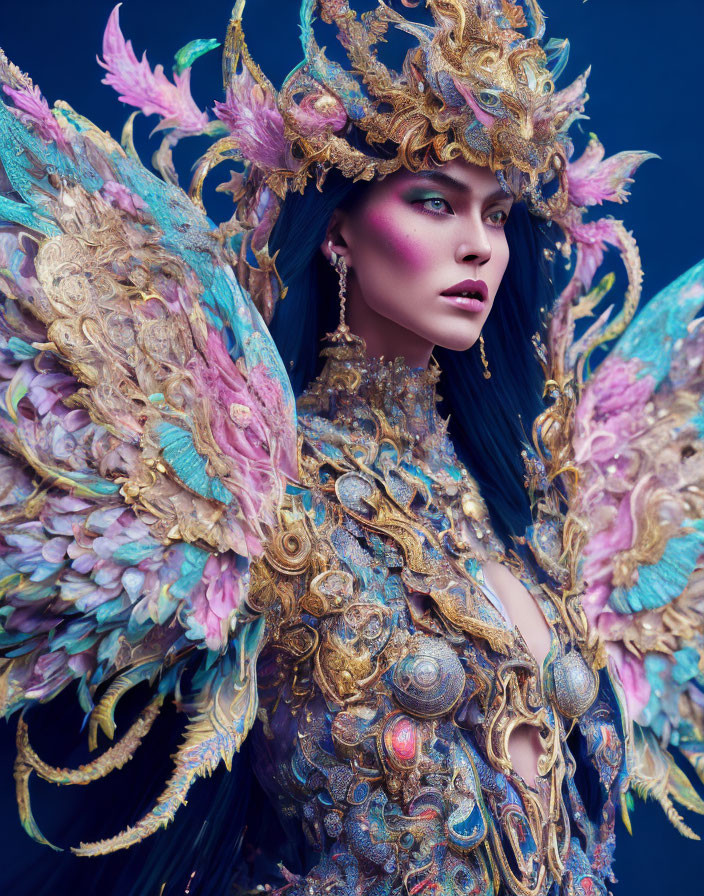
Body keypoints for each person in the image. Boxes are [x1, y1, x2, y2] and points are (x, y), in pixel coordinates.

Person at [0, 2, 703, 894]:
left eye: (494, 215)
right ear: (340, 228)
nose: (477, 246)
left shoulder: (535, 509)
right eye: (434, 203)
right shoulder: (259, 492)